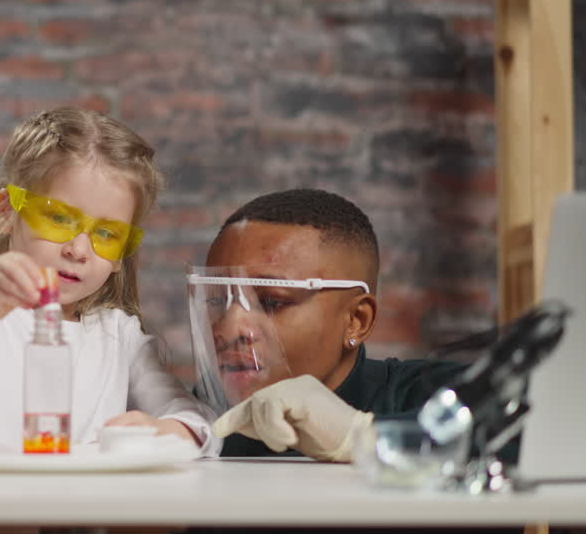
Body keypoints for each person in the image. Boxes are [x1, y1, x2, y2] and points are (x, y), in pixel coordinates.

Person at [0, 107, 219, 455]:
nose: (78, 250)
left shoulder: (118, 336)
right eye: (59, 219)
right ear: (6, 212)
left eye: (107, 234)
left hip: (73, 509)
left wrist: (167, 429)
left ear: (121, 253)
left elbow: (199, 423)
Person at [197, 187, 467, 461]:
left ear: (356, 321)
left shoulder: (427, 395)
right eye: (215, 302)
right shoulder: (199, 414)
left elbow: (508, 429)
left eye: (272, 302)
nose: (229, 330)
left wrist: (364, 436)